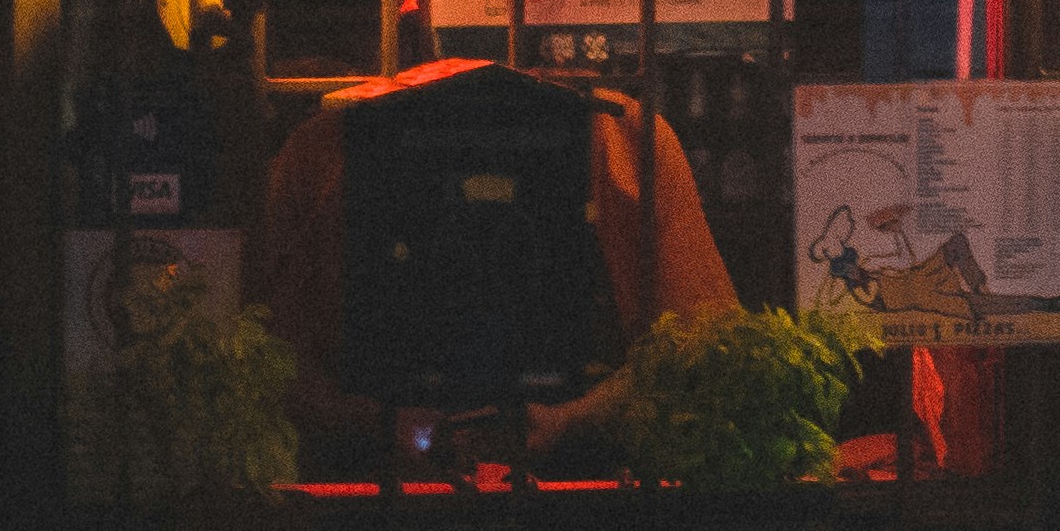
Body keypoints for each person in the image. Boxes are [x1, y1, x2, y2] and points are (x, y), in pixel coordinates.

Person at [252, 66, 731, 465]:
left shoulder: (627, 137)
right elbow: (276, 369)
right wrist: (378, 422)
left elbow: (702, 346)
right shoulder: (323, 152)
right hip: (387, 496)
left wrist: (576, 417)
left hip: (583, 483)